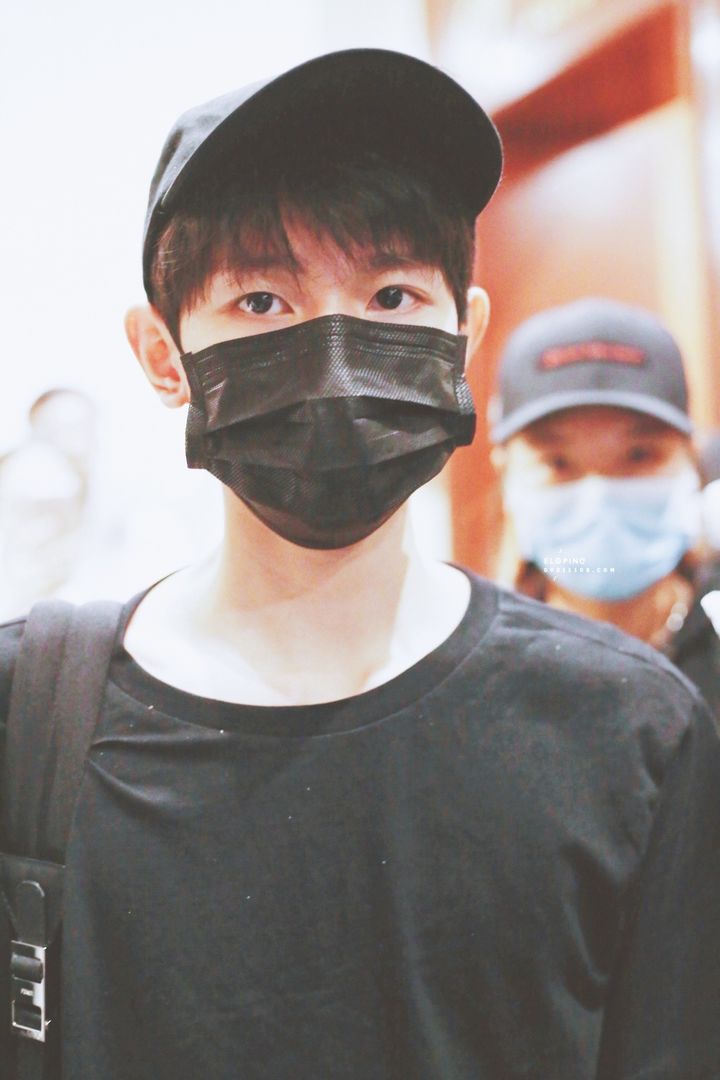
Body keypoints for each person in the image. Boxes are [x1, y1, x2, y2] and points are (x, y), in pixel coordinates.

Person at [1, 50, 719, 1080]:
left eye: (391, 296)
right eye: (261, 302)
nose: (336, 359)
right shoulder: (26, 718)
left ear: (463, 334)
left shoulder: (631, 731)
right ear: (163, 356)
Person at [491, 296, 720, 717]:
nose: (598, 495)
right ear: (506, 473)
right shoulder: (479, 676)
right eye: (558, 462)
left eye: (638, 455)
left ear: (691, 460)